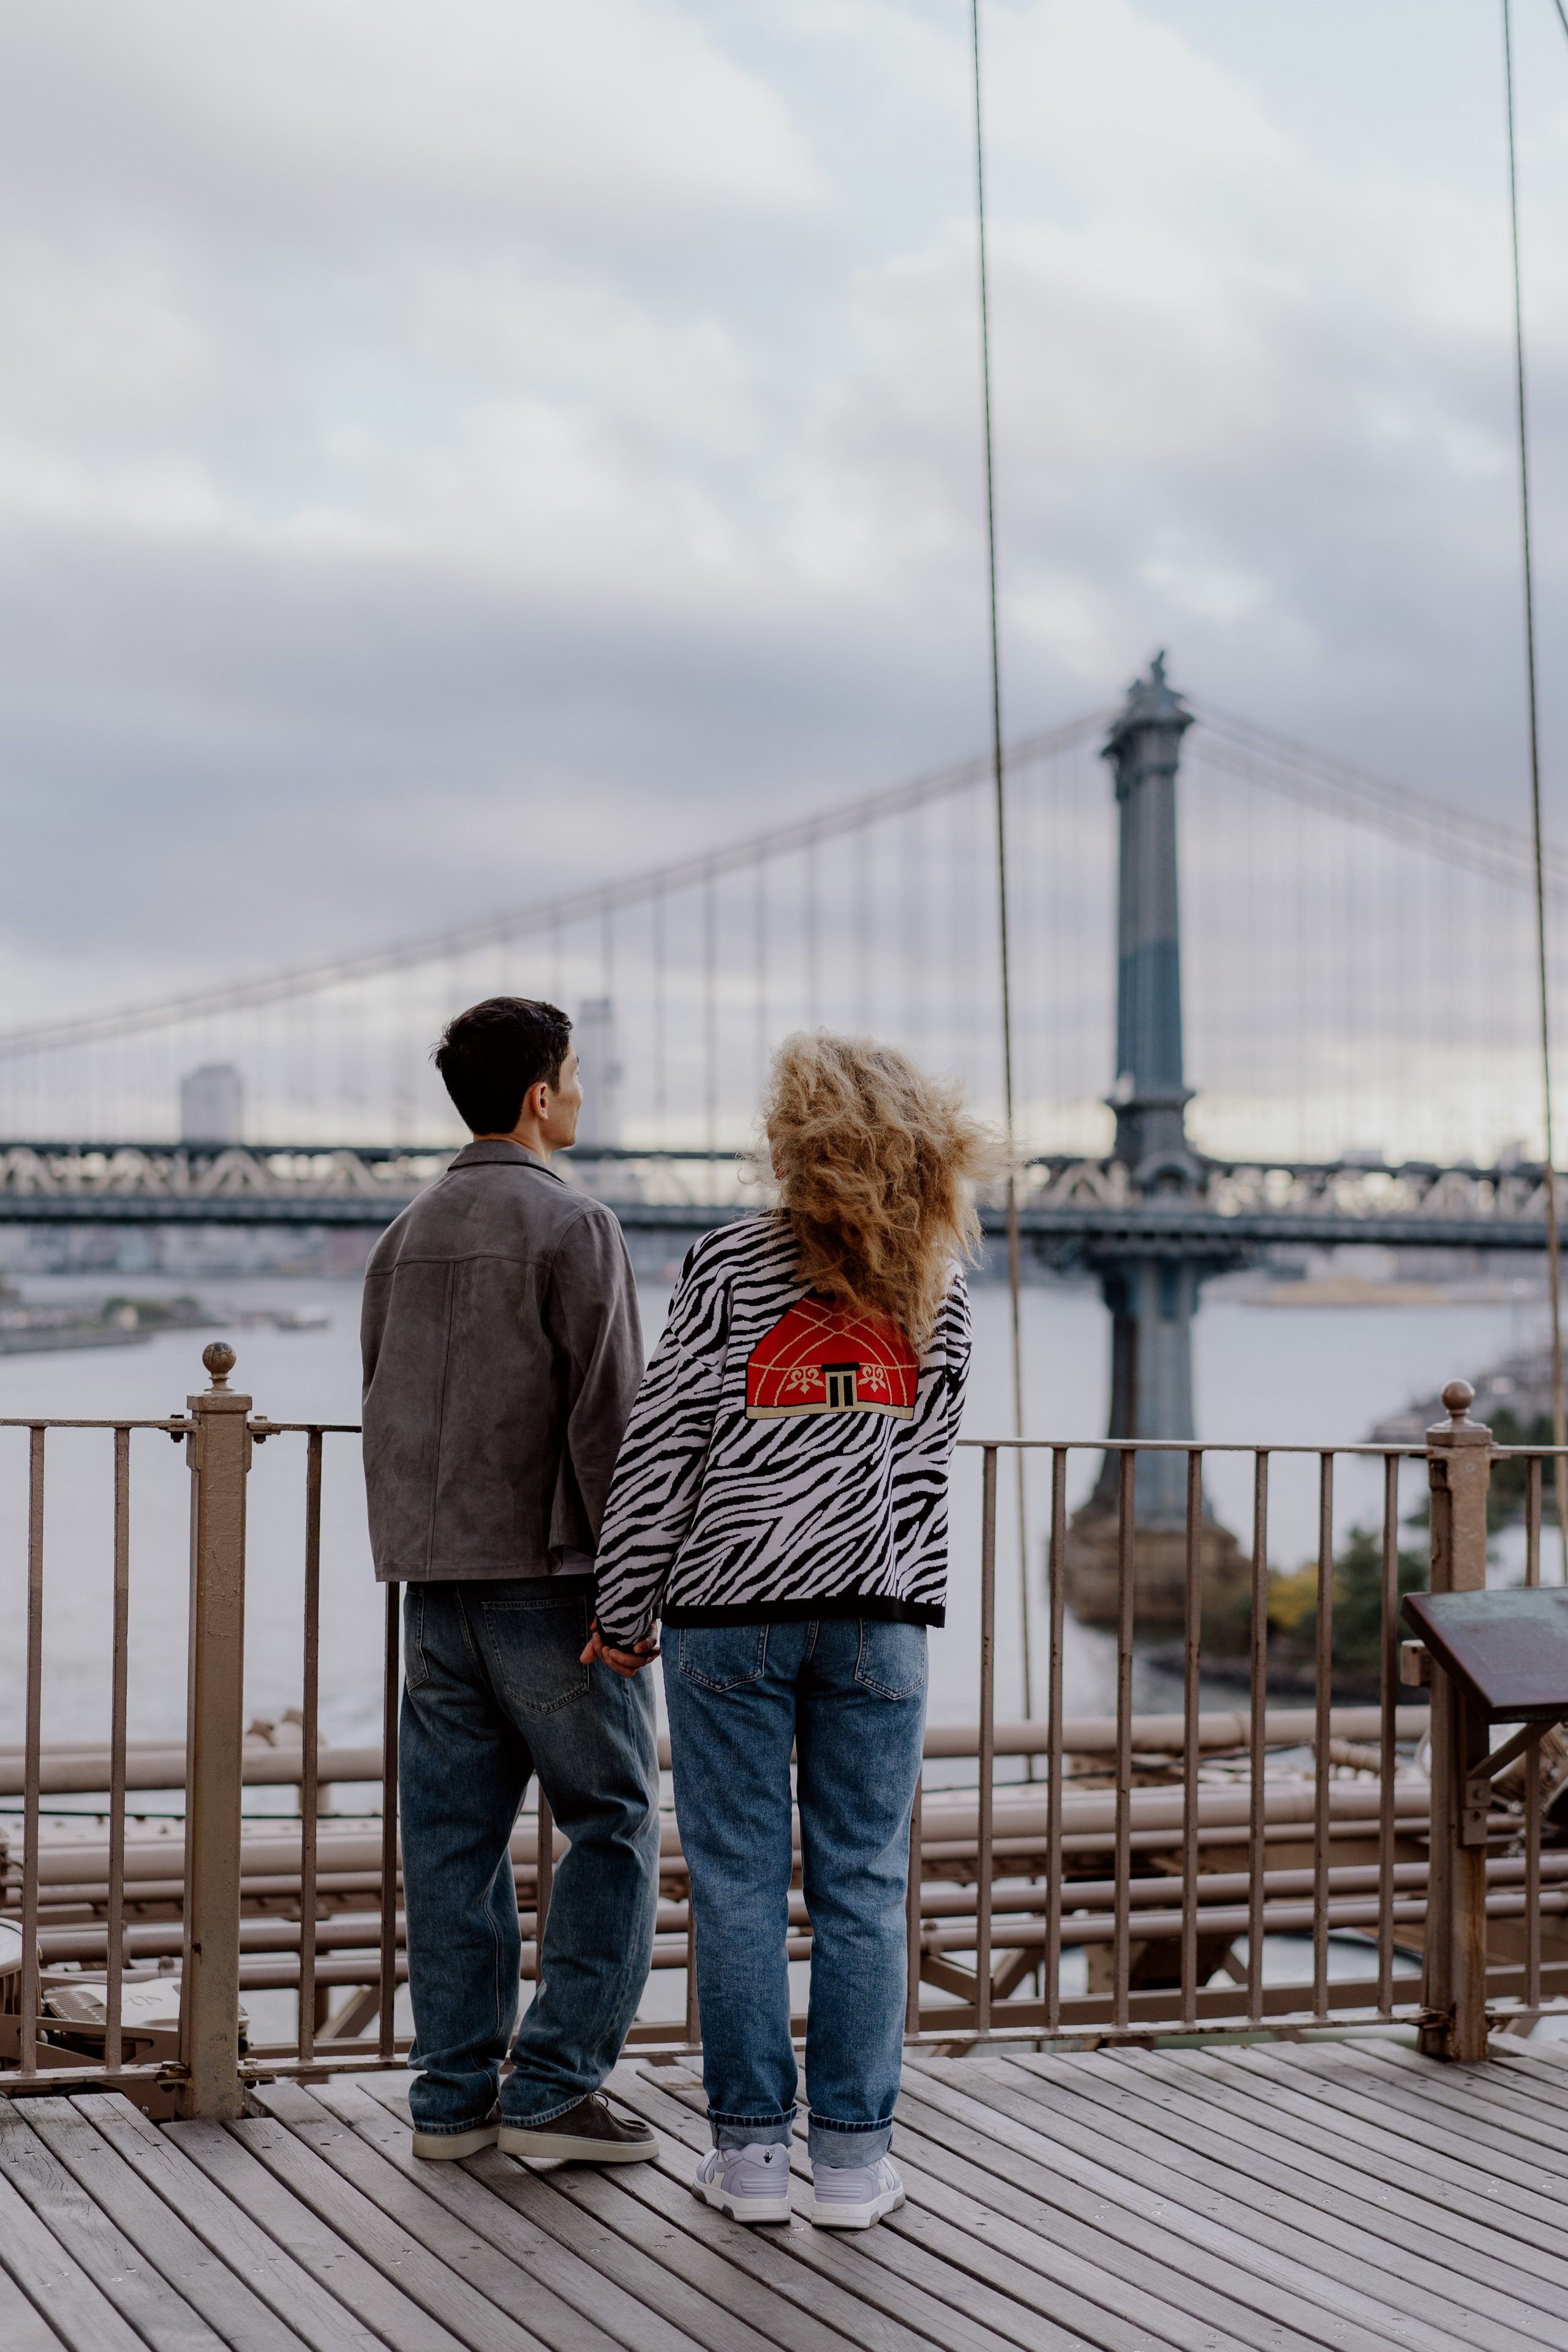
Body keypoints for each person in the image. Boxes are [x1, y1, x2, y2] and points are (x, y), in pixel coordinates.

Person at [587, 1031, 987, 2229]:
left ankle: (753, 2160)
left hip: (729, 1615)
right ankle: (855, 2164)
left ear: (789, 1142)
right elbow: (921, 1475)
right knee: (865, 1884)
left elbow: (662, 1450)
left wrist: (619, 1611)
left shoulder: (722, 1267)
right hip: (879, 1616)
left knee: (738, 1880)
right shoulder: (936, 1286)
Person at [361, 996, 660, 2164]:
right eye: (577, 1075)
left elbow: (384, 1408)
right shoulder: (574, 1227)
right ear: (540, 1096)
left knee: (449, 1842)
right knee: (616, 1823)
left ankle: (451, 2100)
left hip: (430, 1588)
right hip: (551, 1583)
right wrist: (631, 1599)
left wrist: (413, 1557)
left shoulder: (403, 1236)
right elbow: (613, 1428)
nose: (583, 1092)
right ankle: (553, 2089)